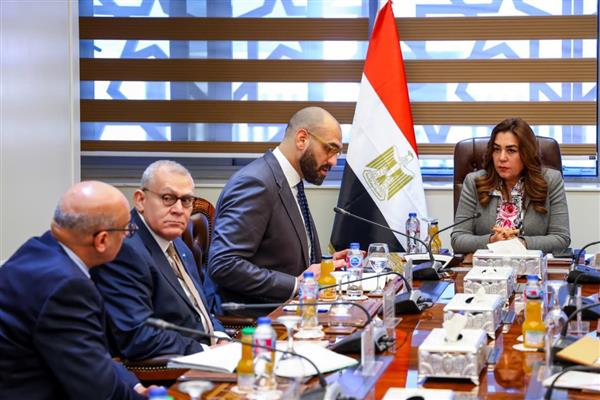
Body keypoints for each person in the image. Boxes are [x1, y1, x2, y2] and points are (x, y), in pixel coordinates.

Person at [0, 181, 146, 399]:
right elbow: (99, 392)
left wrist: (135, 386)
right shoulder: (68, 288)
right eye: (127, 229)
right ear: (102, 240)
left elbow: (91, 354)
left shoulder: (38, 248)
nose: (127, 235)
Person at [208, 106, 348, 316]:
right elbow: (224, 264)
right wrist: (296, 284)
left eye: (337, 153)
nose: (333, 161)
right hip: (258, 317)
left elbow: (280, 256)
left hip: (292, 309)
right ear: (302, 139)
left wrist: (326, 265)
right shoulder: (256, 182)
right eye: (330, 149)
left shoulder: (290, 180)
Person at [91, 160, 226, 361]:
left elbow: (200, 310)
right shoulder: (124, 250)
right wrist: (206, 351)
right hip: (177, 369)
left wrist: (221, 337)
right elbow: (137, 336)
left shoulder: (176, 241)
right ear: (140, 200)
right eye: (167, 198)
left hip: (211, 355)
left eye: (186, 200)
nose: (178, 209)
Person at [451, 117, 570, 254]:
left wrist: (520, 243)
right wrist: (492, 240)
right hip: (486, 265)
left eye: (511, 150)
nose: (502, 158)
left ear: (526, 154)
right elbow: (458, 239)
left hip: (532, 265)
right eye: (496, 149)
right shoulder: (474, 181)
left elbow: (561, 238)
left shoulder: (551, 181)